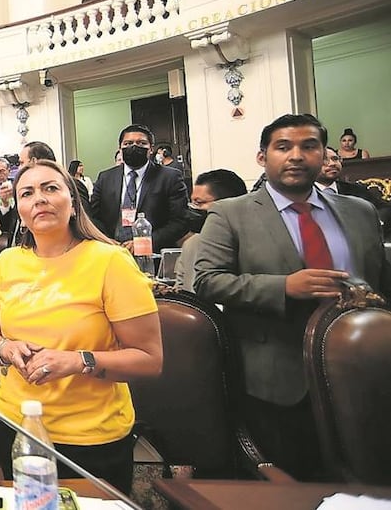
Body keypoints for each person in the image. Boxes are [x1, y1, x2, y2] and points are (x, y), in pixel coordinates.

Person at [193, 114, 391, 481]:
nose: (296, 156)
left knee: (371, 478)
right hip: (279, 379)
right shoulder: (232, 213)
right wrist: (283, 287)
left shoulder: (359, 212)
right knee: (300, 485)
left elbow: (382, 281)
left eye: (309, 146)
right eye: (283, 147)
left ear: (324, 155)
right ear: (262, 157)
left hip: (364, 372)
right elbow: (207, 281)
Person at [0, 159, 162, 492]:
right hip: (15, 426)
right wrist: (7, 349)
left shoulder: (110, 261)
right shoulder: (7, 262)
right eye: (27, 193)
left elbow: (149, 359)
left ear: (74, 203)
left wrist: (80, 361)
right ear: (19, 209)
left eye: (50, 188)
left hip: (90, 437)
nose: (39, 199)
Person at [89, 124, 189, 252]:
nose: (134, 147)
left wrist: (144, 242)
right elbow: (93, 217)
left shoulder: (170, 177)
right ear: (120, 149)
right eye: (128, 143)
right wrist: (107, 240)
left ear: (151, 149)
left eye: (141, 143)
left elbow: (180, 221)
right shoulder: (105, 178)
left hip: (153, 253)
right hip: (112, 251)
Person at [173, 169, 247, 291]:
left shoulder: (251, 246)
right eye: (192, 203)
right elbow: (180, 290)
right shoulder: (191, 245)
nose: (193, 209)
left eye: (199, 203)